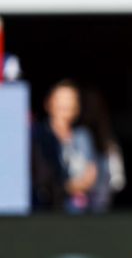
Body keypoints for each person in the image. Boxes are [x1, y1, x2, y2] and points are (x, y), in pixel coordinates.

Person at [30, 80, 99, 213]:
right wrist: (67, 187)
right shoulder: (39, 136)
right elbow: (42, 180)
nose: (66, 104)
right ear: (49, 103)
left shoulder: (83, 136)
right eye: (61, 100)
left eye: (71, 99)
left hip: (82, 211)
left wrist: (81, 184)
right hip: (47, 211)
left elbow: (91, 174)